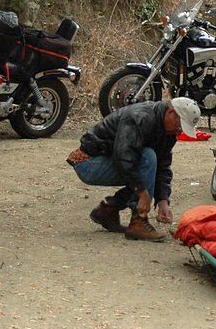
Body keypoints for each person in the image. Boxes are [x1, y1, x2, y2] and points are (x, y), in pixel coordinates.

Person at [67, 97, 202, 241]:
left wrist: (163, 200)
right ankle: (138, 221)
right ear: (170, 112)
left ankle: (108, 210)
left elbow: (162, 165)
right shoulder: (140, 117)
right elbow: (123, 158)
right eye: (180, 126)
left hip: (110, 159)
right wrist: (142, 193)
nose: (179, 132)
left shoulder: (168, 131)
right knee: (148, 157)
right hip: (89, 163)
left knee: (148, 164)